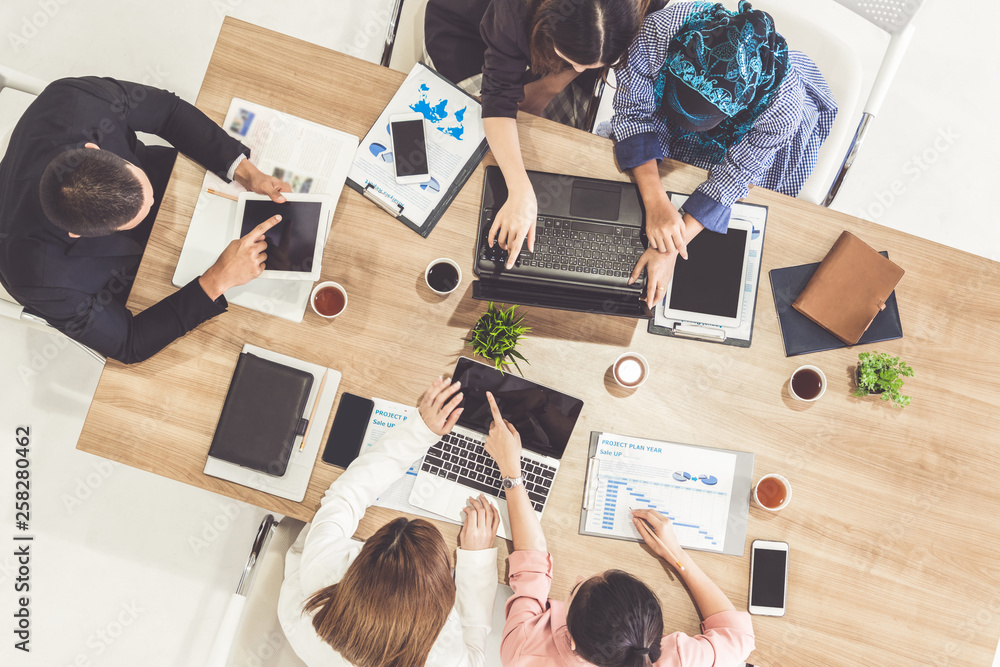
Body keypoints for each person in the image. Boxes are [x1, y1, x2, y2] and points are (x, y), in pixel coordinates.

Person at [0, 76, 291, 363]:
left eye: (143, 191)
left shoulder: (77, 99)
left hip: (177, 179)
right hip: (133, 277)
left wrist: (244, 169)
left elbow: (167, 112)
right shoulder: (38, 278)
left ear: (94, 149)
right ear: (78, 234)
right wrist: (217, 280)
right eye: (136, 215)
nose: (151, 204)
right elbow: (129, 343)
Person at [482, 391, 755, 666]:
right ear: (654, 639)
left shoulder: (523, 651)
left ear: (574, 642)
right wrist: (677, 557)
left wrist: (511, 472)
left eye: (576, 586)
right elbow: (737, 636)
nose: (578, 577)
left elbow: (532, 566)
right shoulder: (678, 661)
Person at [611, 0, 837, 304]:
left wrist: (670, 248)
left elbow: (734, 176)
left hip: (738, 141)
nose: (690, 129)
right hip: (660, 119)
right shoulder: (660, 29)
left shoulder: (782, 107)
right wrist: (655, 202)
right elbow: (633, 114)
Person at [278, 376, 503, 667]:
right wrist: (477, 560)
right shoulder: (445, 658)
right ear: (442, 602)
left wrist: (419, 432)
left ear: (356, 568)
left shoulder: (322, 572)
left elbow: (345, 497)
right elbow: (475, 650)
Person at [425, 0, 666, 269]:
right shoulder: (513, 10)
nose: (578, 69)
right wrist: (519, 189)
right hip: (466, 30)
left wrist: (552, 85)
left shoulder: (649, 7)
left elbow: (591, 59)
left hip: (575, 42)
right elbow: (498, 99)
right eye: (572, 61)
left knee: (553, 156)